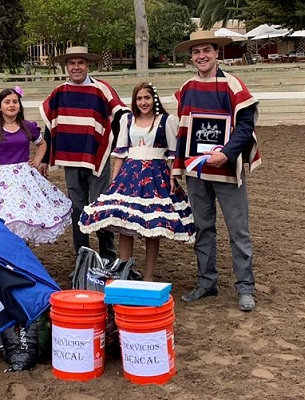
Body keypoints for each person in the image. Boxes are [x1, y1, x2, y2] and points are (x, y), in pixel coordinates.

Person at [172, 31, 262, 311]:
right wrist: (179, 165)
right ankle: (206, 282)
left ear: (216, 53)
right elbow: (183, 130)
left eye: (206, 50)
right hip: (197, 172)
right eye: (196, 52)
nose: (202, 56)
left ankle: (245, 287)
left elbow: (246, 126)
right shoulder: (187, 87)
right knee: (203, 228)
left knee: (238, 230)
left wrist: (227, 153)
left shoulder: (233, 85)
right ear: (191, 57)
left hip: (226, 170)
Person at [79, 82, 195, 281]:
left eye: (147, 98)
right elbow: (120, 153)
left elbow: (174, 153)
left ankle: (148, 278)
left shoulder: (166, 121)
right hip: (130, 176)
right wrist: (115, 182)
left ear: (154, 99)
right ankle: (126, 274)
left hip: (156, 176)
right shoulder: (127, 120)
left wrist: (173, 176)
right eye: (139, 98)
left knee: (152, 226)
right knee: (126, 223)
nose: (143, 102)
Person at [38, 46, 129, 262]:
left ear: (87, 65)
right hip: (70, 158)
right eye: (72, 63)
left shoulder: (101, 89)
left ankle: (108, 256)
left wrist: (124, 146)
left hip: (97, 156)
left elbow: (121, 115)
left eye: (80, 63)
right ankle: (82, 257)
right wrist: (43, 158)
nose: (76, 67)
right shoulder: (59, 92)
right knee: (77, 208)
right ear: (66, 67)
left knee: (99, 205)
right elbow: (50, 125)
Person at [0, 87, 72, 245]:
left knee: (23, 217)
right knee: (1, 218)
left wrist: (36, 162)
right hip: (0, 180)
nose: (11, 105)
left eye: (15, 102)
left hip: (24, 180)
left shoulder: (27, 126)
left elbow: (42, 144)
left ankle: (22, 254)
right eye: (7, 102)